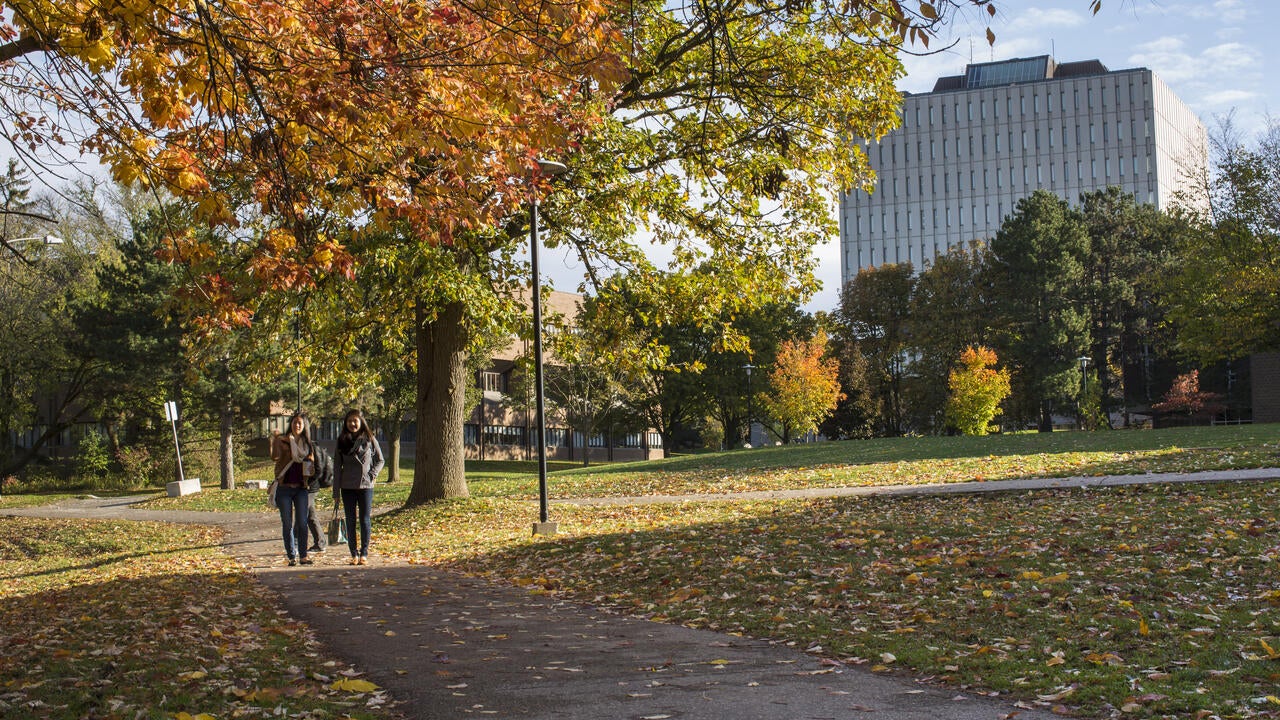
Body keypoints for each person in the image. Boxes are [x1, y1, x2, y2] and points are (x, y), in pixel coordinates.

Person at [333, 409, 384, 565]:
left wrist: (371, 475)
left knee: (364, 519)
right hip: (347, 486)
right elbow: (337, 467)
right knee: (350, 521)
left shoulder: (369, 439)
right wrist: (335, 492)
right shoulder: (341, 440)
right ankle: (353, 553)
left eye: (355, 421)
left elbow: (380, 460)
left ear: (361, 422)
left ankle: (364, 553)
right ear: (345, 423)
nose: (352, 424)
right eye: (349, 421)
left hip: (365, 485)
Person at [270, 411, 315, 566]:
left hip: (301, 488)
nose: (297, 425)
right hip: (284, 488)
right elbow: (274, 457)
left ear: (304, 426)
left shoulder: (307, 444)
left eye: (300, 423)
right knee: (287, 523)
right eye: (295, 422)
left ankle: (303, 555)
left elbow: (311, 466)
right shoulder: (283, 440)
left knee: (302, 522)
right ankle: (291, 556)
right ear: (291, 424)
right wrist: (274, 440)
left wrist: (310, 469)